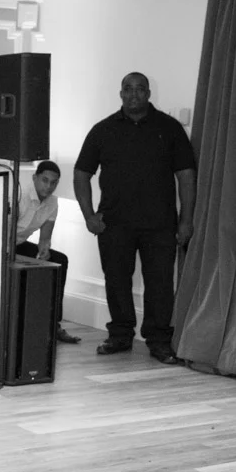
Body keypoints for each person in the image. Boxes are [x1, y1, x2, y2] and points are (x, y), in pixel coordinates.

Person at [73, 72, 197, 364]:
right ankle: (120, 335)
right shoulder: (103, 130)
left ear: (148, 93)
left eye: (140, 89)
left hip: (160, 224)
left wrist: (186, 220)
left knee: (161, 285)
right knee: (116, 281)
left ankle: (159, 341)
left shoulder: (170, 128)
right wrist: (89, 216)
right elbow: (81, 173)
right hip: (114, 223)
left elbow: (186, 176)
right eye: (128, 89)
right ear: (120, 94)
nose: (133, 94)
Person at [15, 160, 80, 345]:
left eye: (53, 183)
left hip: (20, 243)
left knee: (59, 261)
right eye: (45, 180)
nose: (49, 186)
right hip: (1, 245)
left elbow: (44, 239)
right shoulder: (19, 195)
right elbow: (2, 231)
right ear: (34, 178)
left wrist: (44, 250)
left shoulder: (53, 203)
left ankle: (53, 324)